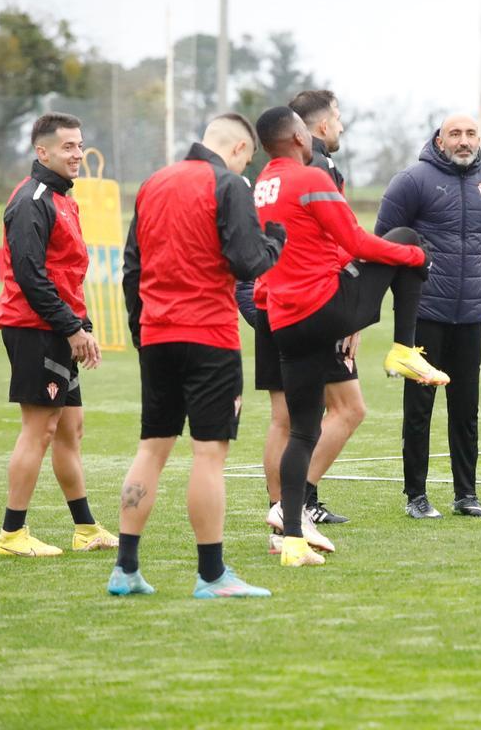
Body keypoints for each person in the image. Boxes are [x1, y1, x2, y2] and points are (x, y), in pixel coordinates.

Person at [256, 106, 445, 566]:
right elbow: (357, 242)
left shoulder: (263, 184)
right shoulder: (311, 178)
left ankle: (292, 539)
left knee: (303, 430)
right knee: (407, 238)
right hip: (322, 307)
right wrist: (414, 259)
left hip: (283, 320)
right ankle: (403, 349)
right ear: (299, 137)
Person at [110, 113, 284, 598]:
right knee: (208, 454)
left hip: (157, 333)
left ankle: (125, 568)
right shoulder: (229, 185)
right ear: (240, 149)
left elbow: (131, 268)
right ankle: (211, 575)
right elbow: (248, 261)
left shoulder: (153, 184)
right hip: (209, 335)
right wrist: (276, 241)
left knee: (151, 448)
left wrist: (141, 330)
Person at [0, 112, 118, 557]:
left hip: (59, 327)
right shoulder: (32, 200)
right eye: (68, 146)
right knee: (39, 429)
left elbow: (65, 274)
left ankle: (85, 529)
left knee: (70, 430)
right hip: (35, 329)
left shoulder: (64, 198)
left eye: (79, 145)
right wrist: (70, 328)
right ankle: (12, 534)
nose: (77, 153)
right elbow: (31, 276)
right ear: (42, 152)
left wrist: (82, 327)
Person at [236, 89, 355, 552]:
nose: (340, 125)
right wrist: (349, 314)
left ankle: (284, 518)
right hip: (306, 305)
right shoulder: (315, 171)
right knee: (347, 409)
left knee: (283, 418)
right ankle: (295, 506)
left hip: (269, 302)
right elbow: (340, 243)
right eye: (337, 118)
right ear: (311, 130)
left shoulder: (265, 179)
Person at [376, 114, 481, 519]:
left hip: (470, 313)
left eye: (470, 134)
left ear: (479, 139)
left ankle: (466, 494)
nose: (463, 141)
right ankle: (416, 495)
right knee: (419, 407)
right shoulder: (412, 180)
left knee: (466, 408)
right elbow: (385, 238)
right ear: (439, 140)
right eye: (455, 134)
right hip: (424, 312)